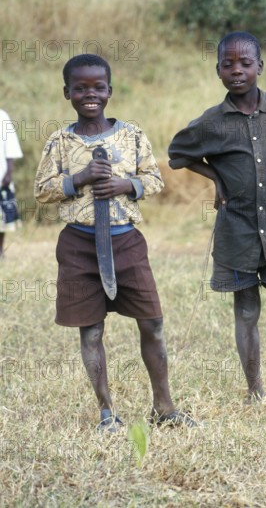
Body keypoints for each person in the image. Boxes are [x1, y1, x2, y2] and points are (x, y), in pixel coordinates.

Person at [34, 54, 196, 431]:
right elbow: (42, 191)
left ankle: (164, 408)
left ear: (110, 91)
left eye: (98, 87)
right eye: (80, 88)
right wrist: (81, 177)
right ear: (67, 93)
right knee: (90, 330)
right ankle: (107, 412)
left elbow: (154, 180)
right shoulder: (59, 142)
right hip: (78, 246)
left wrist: (128, 185)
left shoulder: (133, 135)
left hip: (126, 243)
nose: (90, 95)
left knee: (152, 322)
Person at [168, 31, 266, 407]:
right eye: (228, 64)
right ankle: (255, 393)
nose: (236, 70)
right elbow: (178, 152)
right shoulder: (212, 123)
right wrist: (216, 177)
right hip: (236, 235)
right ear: (218, 70)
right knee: (246, 311)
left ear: (260, 67)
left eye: (245, 63)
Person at [0, 109, 23, 257]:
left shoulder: (2, 116)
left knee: (2, 221)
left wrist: (8, 173)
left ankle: (0, 252)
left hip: (1, 177)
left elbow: (11, 145)